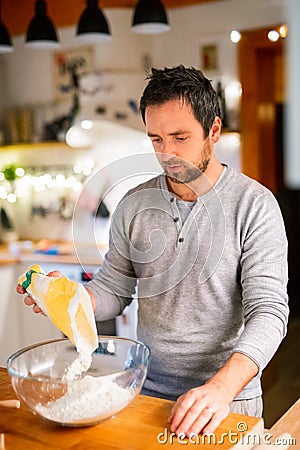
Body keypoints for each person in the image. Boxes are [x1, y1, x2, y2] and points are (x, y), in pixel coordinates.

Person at [17, 65, 289, 438]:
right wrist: (69, 299)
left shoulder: (255, 205)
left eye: (179, 137)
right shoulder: (133, 204)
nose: (167, 153)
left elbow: (270, 312)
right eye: (156, 139)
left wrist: (220, 389)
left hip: (227, 400)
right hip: (147, 391)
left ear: (213, 131)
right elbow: (113, 291)